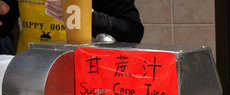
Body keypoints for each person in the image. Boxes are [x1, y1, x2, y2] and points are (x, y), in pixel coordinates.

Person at [0, 0, 144, 53]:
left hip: (88, 81)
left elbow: (132, 31)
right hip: (32, 79)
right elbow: (4, 25)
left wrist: (85, 17)